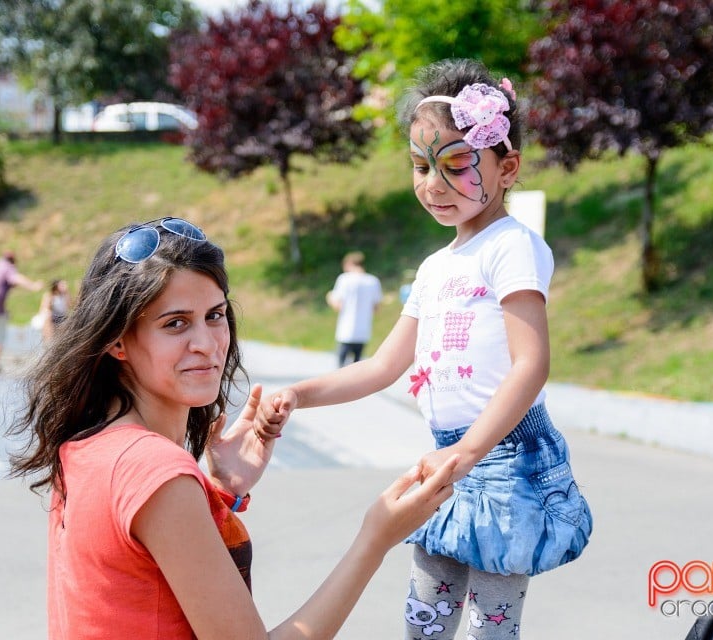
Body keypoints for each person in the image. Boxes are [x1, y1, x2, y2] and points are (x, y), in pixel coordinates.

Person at [255, 59, 592, 639]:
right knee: (425, 623)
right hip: (444, 460)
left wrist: (464, 455)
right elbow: (384, 366)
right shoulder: (435, 266)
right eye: (420, 165)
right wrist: (297, 395)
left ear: (506, 167)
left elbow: (531, 364)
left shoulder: (511, 246)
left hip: (504, 461)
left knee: (491, 627)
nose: (432, 184)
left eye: (456, 165)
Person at [5, 216, 458, 638]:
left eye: (215, 315)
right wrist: (375, 538)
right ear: (117, 340)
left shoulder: (87, 443)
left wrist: (220, 494)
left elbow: (136, 593)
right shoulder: (153, 471)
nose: (206, 344)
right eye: (175, 323)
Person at [326, 251, 382, 367]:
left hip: (346, 330)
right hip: (363, 331)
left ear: (349, 264)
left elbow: (338, 305)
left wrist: (329, 297)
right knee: (356, 366)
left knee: (341, 366)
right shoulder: (373, 281)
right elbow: (376, 308)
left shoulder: (344, 279)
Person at [36, 278, 71, 344]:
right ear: (56, 286)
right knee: (48, 316)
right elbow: (44, 308)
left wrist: (67, 292)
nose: (64, 286)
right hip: (52, 317)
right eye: (62, 285)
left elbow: (69, 305)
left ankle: (62, 341)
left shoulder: (64, 295)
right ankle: (49, 341)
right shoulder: (50, 295)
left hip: (62, 316)